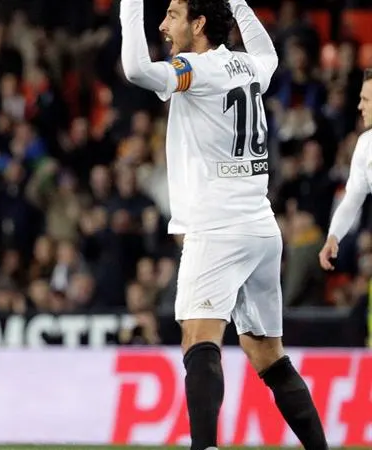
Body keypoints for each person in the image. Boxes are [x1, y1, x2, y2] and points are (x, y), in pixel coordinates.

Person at [119, 1, 328, 449]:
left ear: (198, 24)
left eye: (172, 14)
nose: (162, 23)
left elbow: (136, 69)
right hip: (260, 228)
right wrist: (238, 3)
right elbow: (269, 56)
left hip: (217, 229)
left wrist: (130, 4)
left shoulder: (197, 68)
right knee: (268, 355)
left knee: (198, 337)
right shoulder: (249, 66)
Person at [320, 69, 372, 273]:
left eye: (366, 100)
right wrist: (333, 236)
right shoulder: (365, 144)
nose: (360, 106)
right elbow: (352, 200)